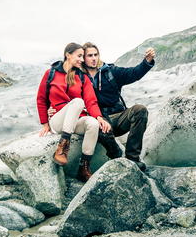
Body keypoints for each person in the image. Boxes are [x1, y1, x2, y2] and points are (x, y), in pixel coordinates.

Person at [52, 42, 155, 171]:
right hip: (99, 119)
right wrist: (53, 110)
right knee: (98, 127)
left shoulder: (111, 71)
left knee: (140, 110)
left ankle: (133, 158)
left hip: (119, 116)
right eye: (90, 55)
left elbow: (134, 73)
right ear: (83, 58)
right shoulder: (77, 77)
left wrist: (147, 61)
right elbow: (64, 96)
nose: (94, 58)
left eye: (96, 55)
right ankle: (117, 157)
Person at [37, 42, 111, 182]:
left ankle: (84, 168)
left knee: (93, 123)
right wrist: (45, 123)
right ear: (68, 55)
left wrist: (99, 117)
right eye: (79, 56)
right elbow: (41, 98)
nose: (82, 60)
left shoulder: (82, 77)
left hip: (76, 120)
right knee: (78, 101)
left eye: (83, 56)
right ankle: (62, 148)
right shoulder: (51, 73)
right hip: (58, 119)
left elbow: (91, 101)